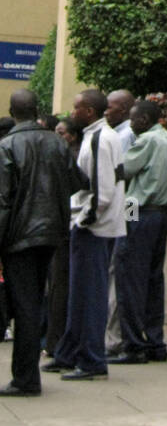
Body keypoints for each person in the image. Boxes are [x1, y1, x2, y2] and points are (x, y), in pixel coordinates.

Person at [0, 90, 83, 395]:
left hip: (19, 238)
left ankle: (25, 378)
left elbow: (3, 201)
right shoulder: (56, 143)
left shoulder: (7, 145)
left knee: (24, 307)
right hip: (51, 233)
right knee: (33, 302)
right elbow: (78, 181)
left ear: (12, 111)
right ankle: (27, 374)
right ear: (37, 110)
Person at [44, 89, 125, 380]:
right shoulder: (97, 135)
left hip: (93, 227)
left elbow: (102, 191)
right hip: (90, 225)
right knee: (79, 295)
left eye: (77, 108)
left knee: (89, 296)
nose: (72, 112)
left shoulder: (101, 139)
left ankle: (91, 361)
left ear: (89, 112)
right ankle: (70, 352)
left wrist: (83, 221)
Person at [112, 101, 167, 364]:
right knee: (153, 280)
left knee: (130, 279)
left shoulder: (146, 140)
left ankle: (133, 345)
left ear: (146, 118)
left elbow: (124, 170)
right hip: (160, 213)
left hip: (137, 210)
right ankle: (154, 341)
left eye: (134, 118)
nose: (131, 123)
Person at [44, 119, 82, 357]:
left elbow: (128, 191)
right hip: (68, 224)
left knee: (62, 285)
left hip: (78, 224)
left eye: (62, 133)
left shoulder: (77, 155)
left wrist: (131, 221)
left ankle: (58, 343)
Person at [104, 90, 136, 358]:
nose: (106, 111)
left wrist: (127, 222)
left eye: (110, 107)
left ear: (124, 109)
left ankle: (114, 338)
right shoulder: (124, 135)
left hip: (121, 217)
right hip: (124, 217)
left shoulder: (124, 137)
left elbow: (127, 186)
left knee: (117, 275)